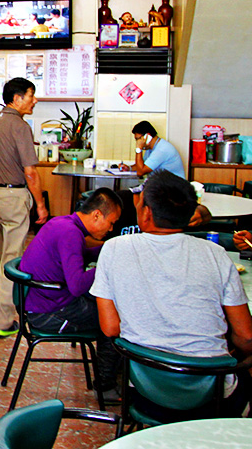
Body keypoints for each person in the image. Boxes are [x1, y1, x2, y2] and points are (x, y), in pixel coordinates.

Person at [91, 171, 252, 419]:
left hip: (146, 391)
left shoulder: (113, 249)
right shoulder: (216, 253)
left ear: (146, 212)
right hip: (212, 395)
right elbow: (246, 337)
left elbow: (111, 329)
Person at [19, 188, 123, 398]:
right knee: (113, 320)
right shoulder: (71, 234)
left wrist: (108, 249)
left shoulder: (62, 223)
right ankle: (106, 387)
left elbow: (79, 256)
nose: (111, 229)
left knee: (108, 307)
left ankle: (110, 377)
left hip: (42, 301)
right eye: (111, 223)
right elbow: (76, 285)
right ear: (96, 215)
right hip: (48, 314)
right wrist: (106, 265)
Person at [0, 77, 48, 337]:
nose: (34, 100)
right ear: (17, 99)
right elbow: (31, 173)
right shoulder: (21, 127)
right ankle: (3, 322)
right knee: (11, 256)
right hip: (11, 196)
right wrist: (41, 204)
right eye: (31, 95)